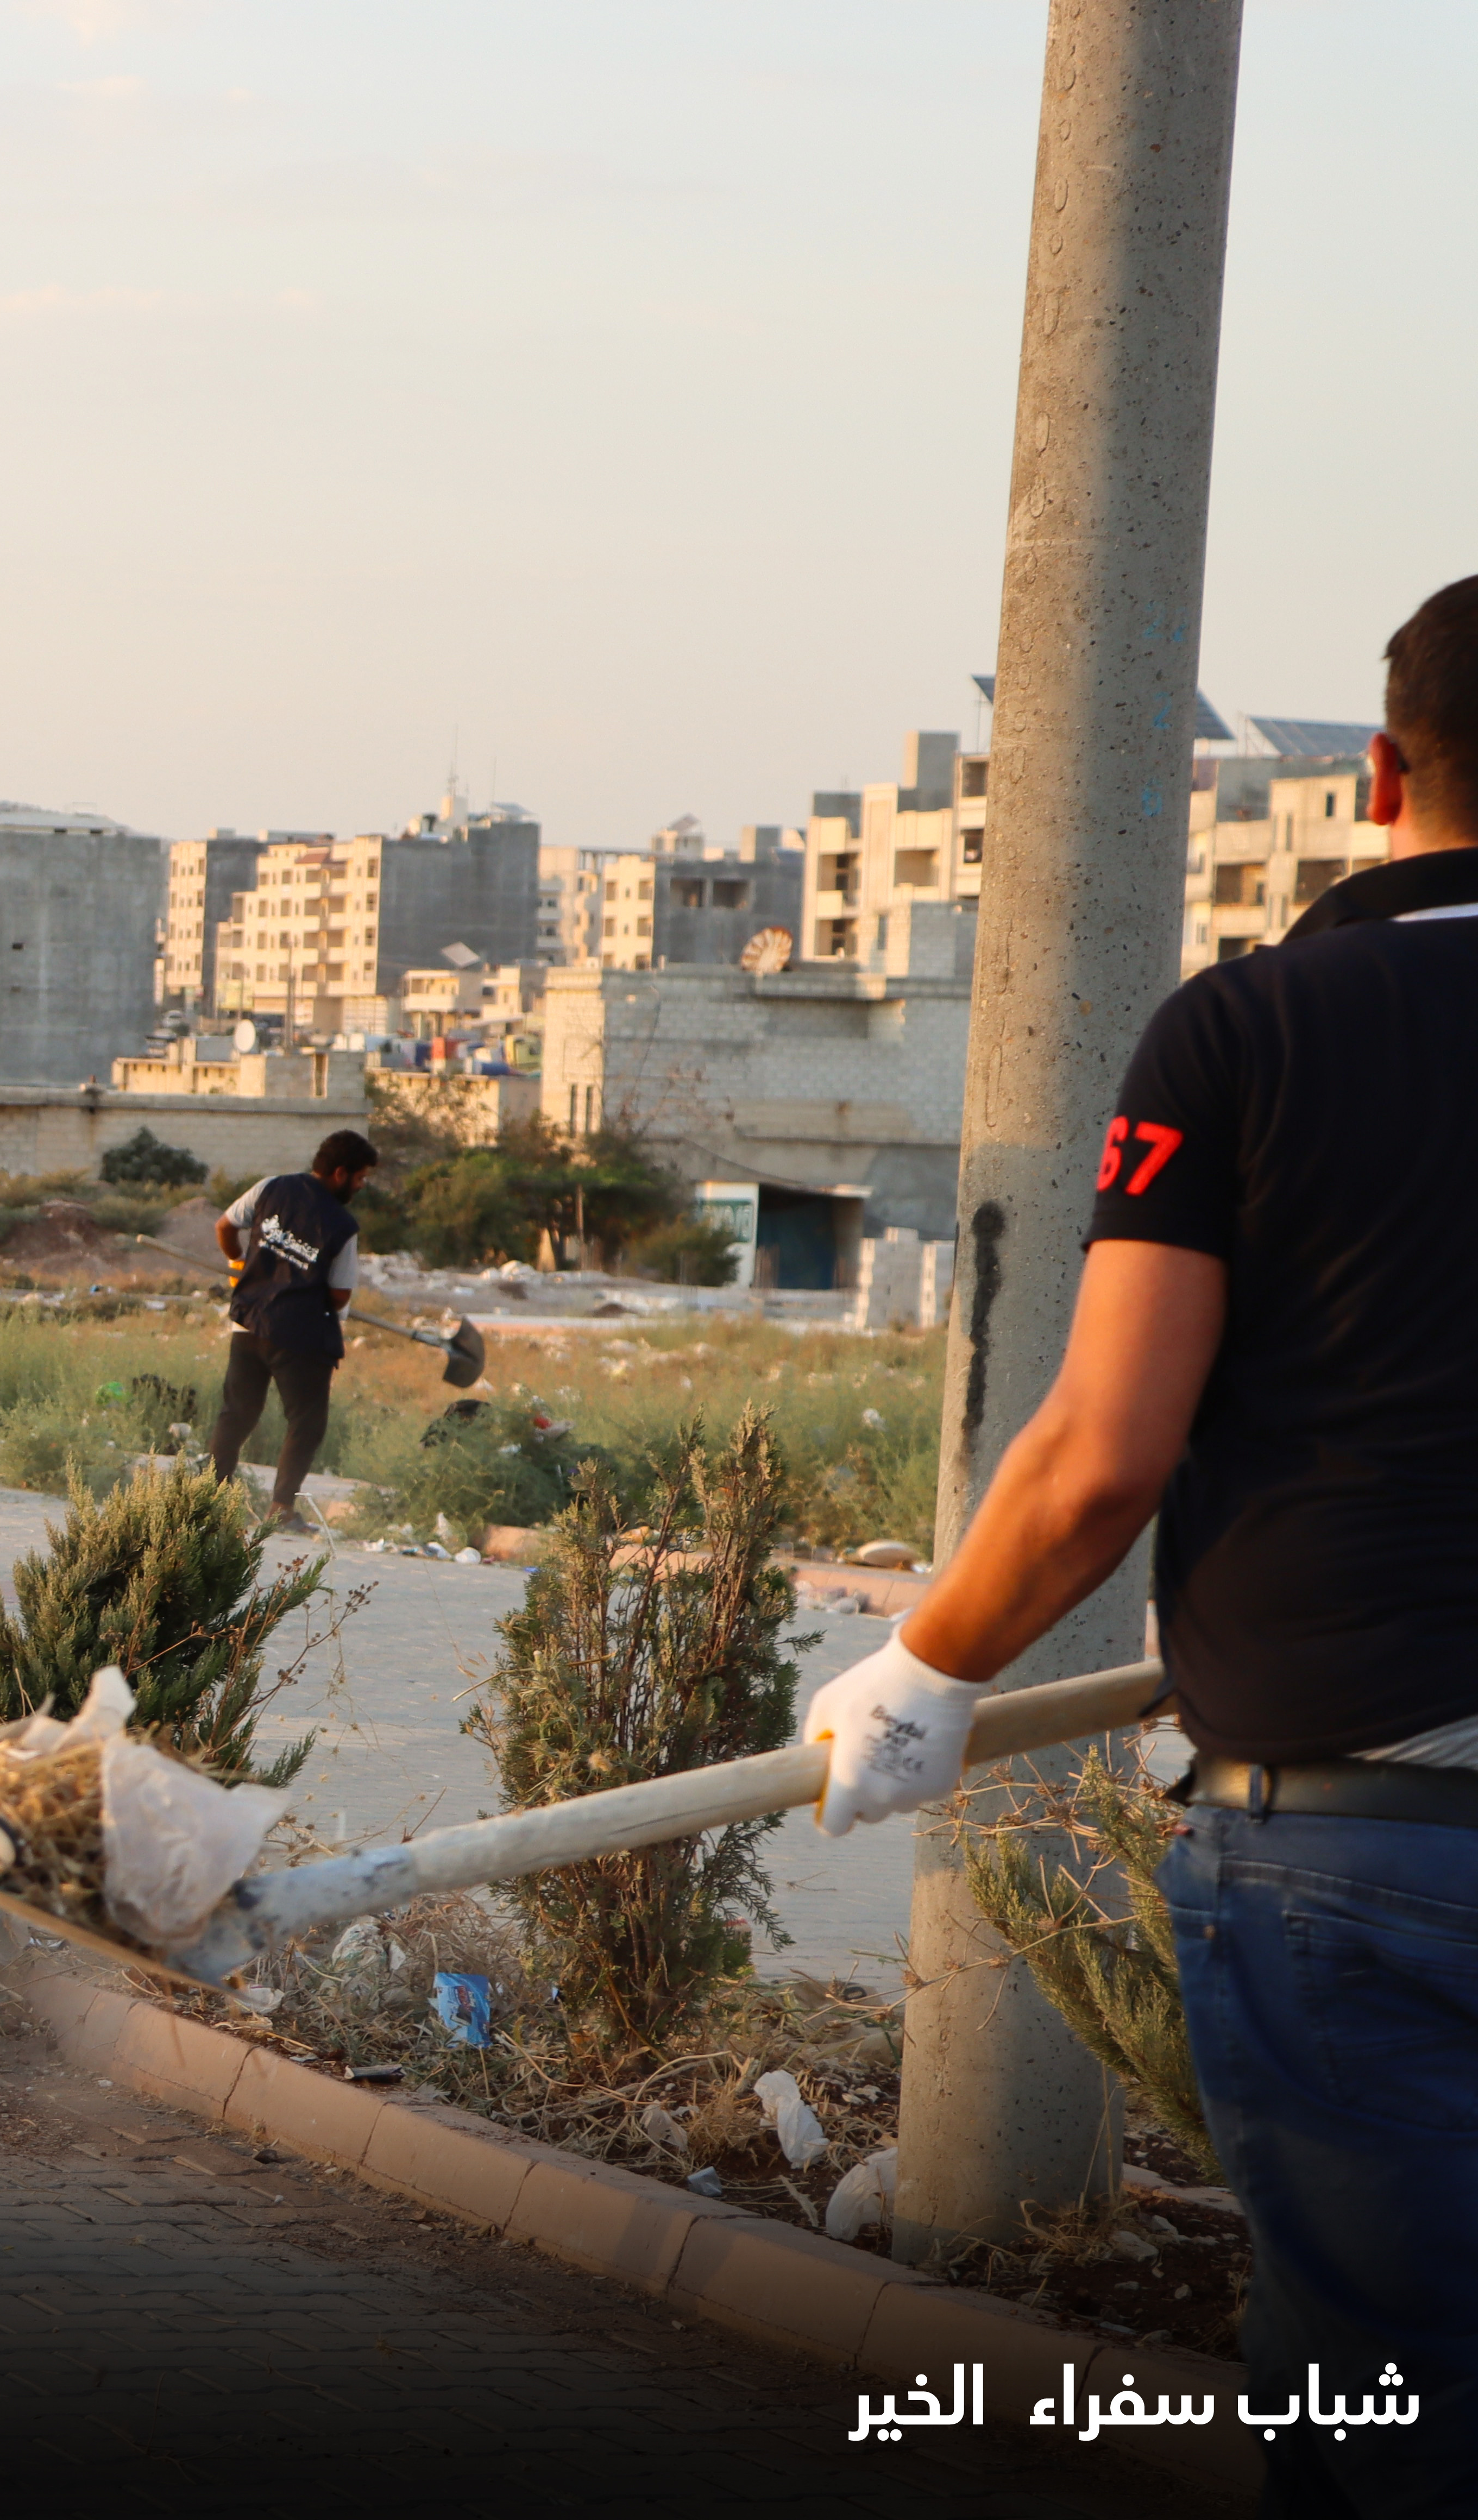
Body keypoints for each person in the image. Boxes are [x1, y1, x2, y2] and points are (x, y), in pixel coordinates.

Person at [807, 577, 1478, 2513]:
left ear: (1372, 775)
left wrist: (926, 1665)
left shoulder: (1250, 1029)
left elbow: (1102, 1449)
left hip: (1359, 1836)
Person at [206, 1128, 380, 1533]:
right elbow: (339, 1294)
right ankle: (282, 1510)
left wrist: (238, 1266)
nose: (362, 1185)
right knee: (306, 1423)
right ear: (340, 1173)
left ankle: (209, 1502)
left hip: (248, 1322)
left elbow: (224, 1227)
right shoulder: (342, 1225)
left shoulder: (271, 1187)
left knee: (237, 1414)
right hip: (300, 1338)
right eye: (360, 1178)